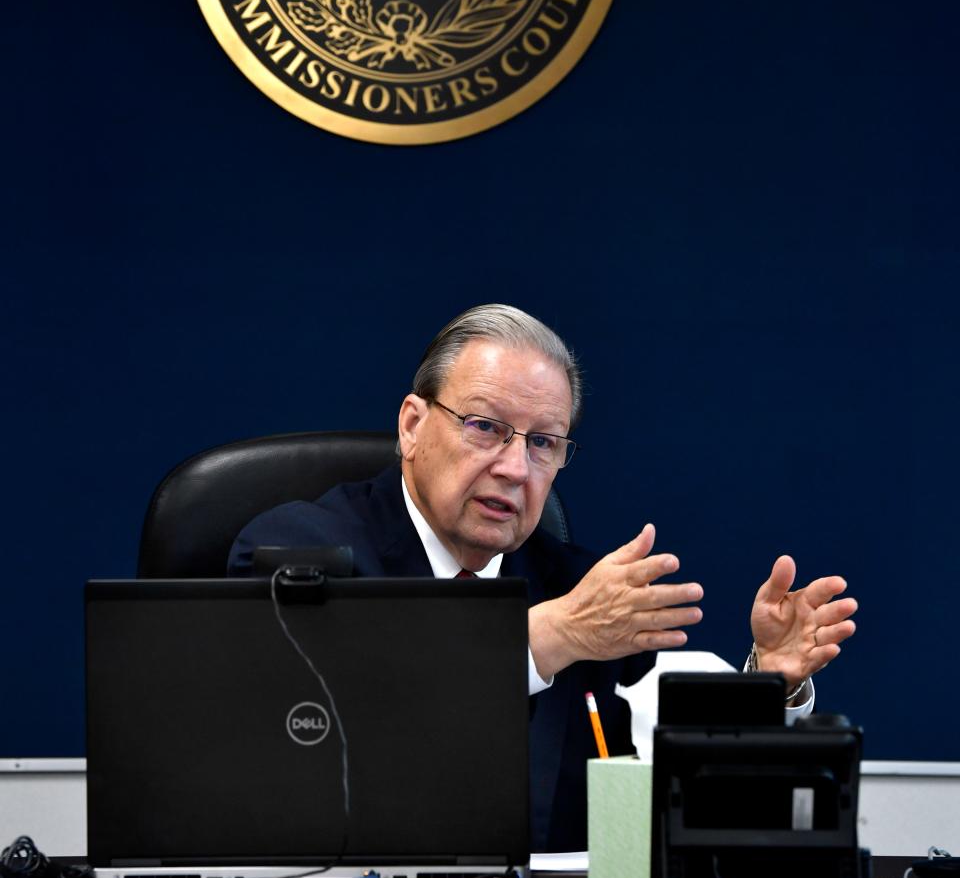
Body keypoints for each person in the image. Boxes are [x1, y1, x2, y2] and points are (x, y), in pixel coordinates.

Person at [229, 304, 858, 850]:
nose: (514, 467)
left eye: (543, 444)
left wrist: (767, 688)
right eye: (486, 428)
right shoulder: (299, 552)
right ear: (413, 425)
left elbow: (688, 783)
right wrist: (545, 638)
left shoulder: (582, 587)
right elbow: (327, 731)